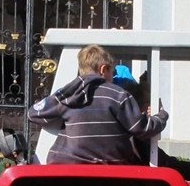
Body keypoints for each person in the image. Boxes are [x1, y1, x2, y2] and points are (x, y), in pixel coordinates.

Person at [27, 44, 166, 164]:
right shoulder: (119, 95)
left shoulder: (67, 93)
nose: (113, 76)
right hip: (111, 166)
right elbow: (142, 128)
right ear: (103, 69)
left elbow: (34, 114)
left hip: (69, 164)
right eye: (112, 71)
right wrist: (161, 115)